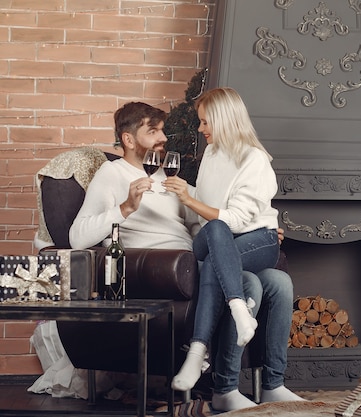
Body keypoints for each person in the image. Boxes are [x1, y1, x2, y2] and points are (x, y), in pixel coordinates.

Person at [69, 101, 303, 411]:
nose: (163, 137)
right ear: (128, 139)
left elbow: (206, 224)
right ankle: (225, 388)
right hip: (166, 271)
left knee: (278, 281)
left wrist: (258, 231)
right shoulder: (111, 174)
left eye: (162, 130)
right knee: (249, 284)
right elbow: (77, 237)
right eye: (153, 131)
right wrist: (124, 208)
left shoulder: (169, 177)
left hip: (195, 260)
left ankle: (274, 383)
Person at [162, 87, 284, 395]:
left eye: (205, 123)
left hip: (256, 240)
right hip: (216, 238)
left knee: (271, 277)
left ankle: (196, 353)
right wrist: (185, 190)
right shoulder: (212, 155)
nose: (201, 129)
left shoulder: (254, 160)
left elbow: (238, 220)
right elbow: (209, 206)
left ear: (225, 120)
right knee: (216, 232)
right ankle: (240, 311)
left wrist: (188, 200)